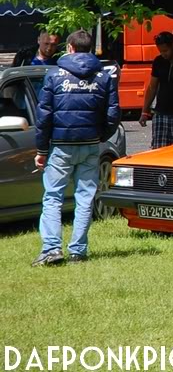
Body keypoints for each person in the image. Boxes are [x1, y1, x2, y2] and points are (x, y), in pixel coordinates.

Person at [31, 30, 119, 267]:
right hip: (90, 144)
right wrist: (101, 136)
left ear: (69, 47)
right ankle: (78, 251)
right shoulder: (104, 76)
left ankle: (51, 249)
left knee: (52, 197)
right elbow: (113, 114)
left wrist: (41, 150)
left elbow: (44, 116)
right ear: (89, 49)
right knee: (85, 198)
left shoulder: (55, 75)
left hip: (61, 145)